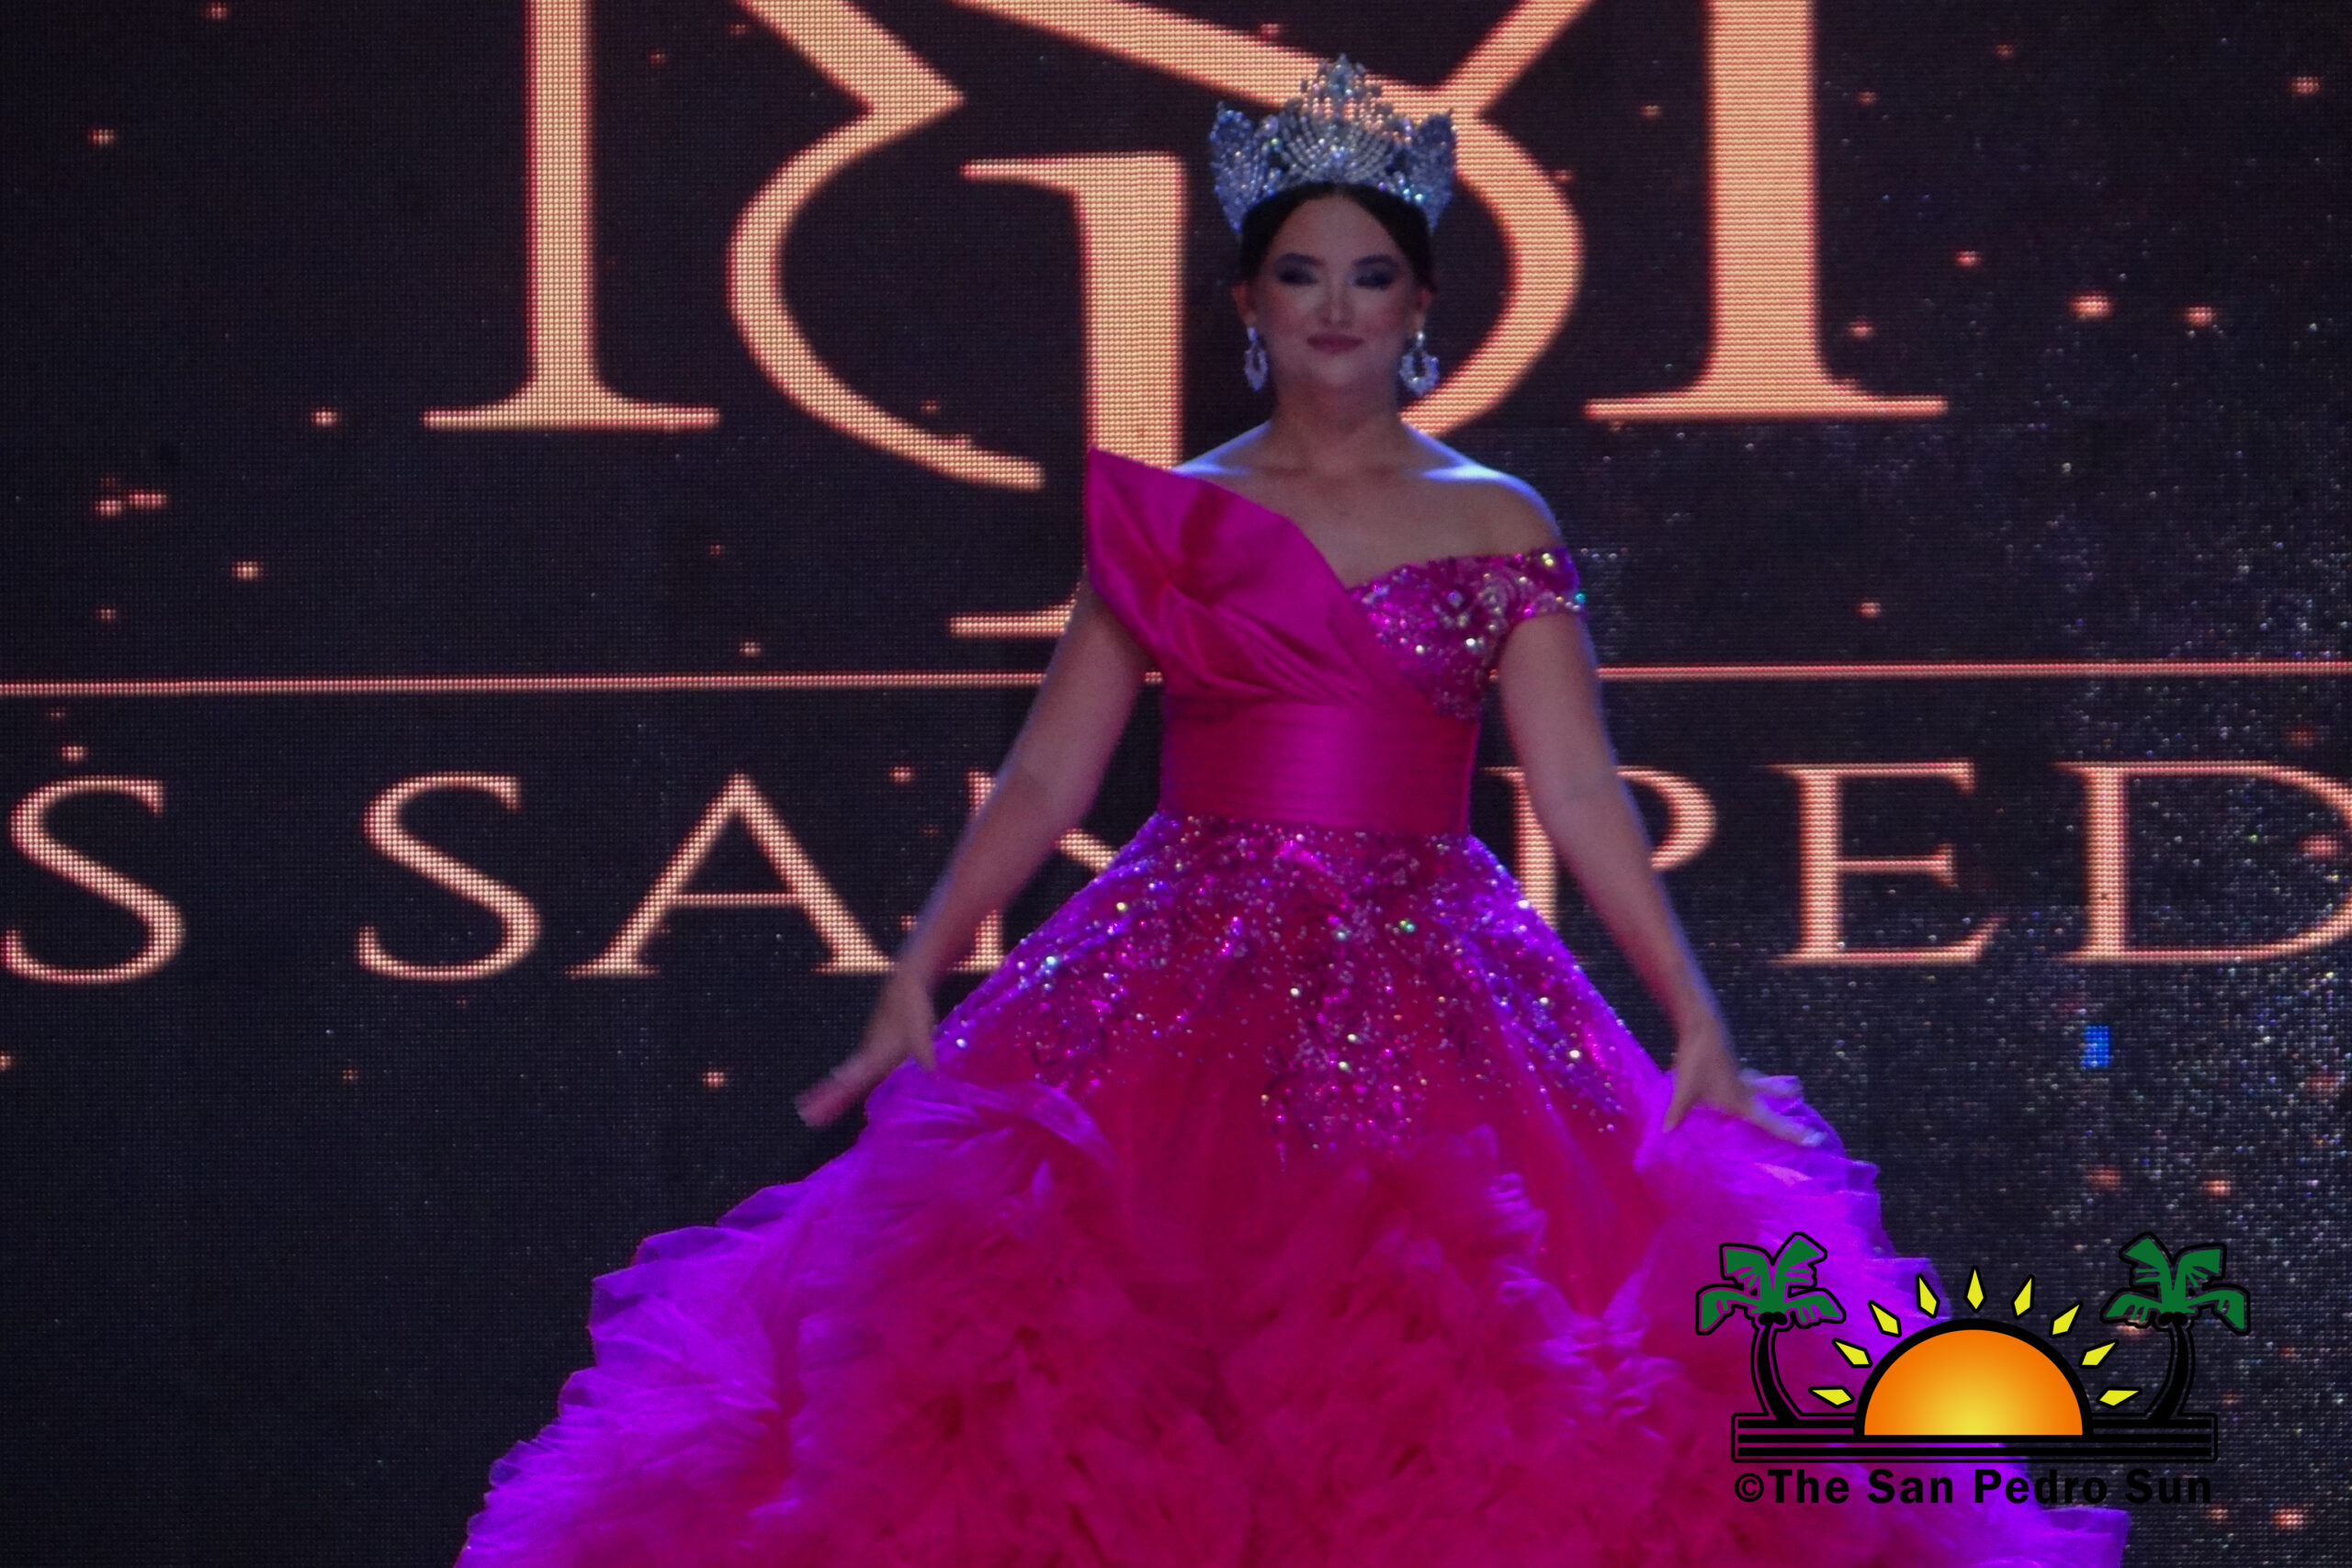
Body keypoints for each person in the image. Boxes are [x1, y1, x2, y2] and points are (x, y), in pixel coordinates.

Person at [455, 59, 2129, 1568]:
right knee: (1101, 1368)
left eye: (1371, 274)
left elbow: (1574, 786)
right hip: (1179, 970)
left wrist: (1689, 1010)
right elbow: (1048, 774)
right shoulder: (1176, 517)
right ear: (1249, 301)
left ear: (1422, 304)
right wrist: (919, 967)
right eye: (1303, 274)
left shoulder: (1497, 517)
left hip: (1436, 970)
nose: (1338, 307)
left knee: (1475, 1367)